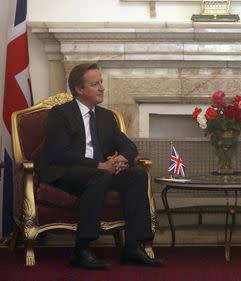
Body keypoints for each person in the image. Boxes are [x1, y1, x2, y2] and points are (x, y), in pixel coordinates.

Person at [38, 63, 163, 270]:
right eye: (95, 84)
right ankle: (82, 250)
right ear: (79, 89)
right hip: (66, 171)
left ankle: (134, 247)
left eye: (101, 82)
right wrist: (99, 165)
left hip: (100, 171)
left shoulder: (106, 116)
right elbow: (60, 153)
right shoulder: (60, 113)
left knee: (137, 176)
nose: (102, 88)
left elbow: (128, 145)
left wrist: (122, 157)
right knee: (101, 176)